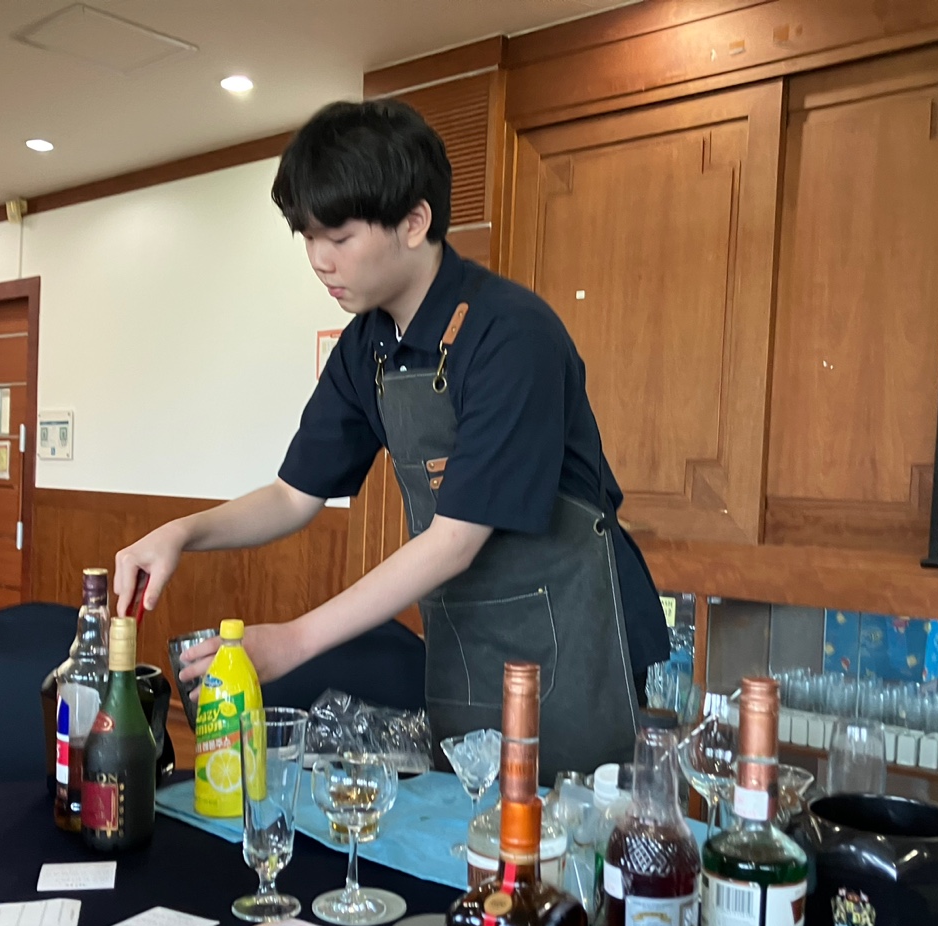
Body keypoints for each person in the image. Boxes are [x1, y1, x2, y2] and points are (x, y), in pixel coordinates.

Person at [115, 99, 668, 776]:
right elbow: (293, 496)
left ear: (414, 222)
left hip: (582, 643)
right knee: (470, 819)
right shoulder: (368, 346)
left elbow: (455, 539)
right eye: (307, 238)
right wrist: (182, 533)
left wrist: (292, 641)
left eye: (339, 237)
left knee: (566, 827)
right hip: (467, 637)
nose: (319, 260)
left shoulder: (510, 334)